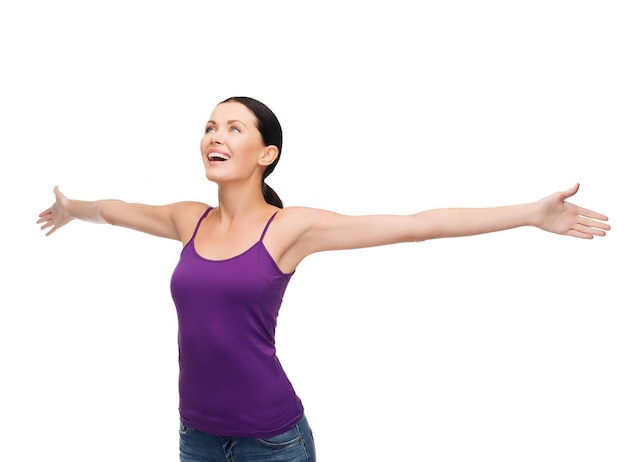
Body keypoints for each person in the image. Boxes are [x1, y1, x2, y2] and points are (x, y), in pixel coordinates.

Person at [37, 96, 611, 462]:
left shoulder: (289, 229)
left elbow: (416, 226)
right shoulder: (190, 219)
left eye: (233, 128)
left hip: (272, 441)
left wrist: (530, 214)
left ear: (266, 153)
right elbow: (113, 209)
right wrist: (70, 208)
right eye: (210, 126)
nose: (215, 135)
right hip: (197, 437)